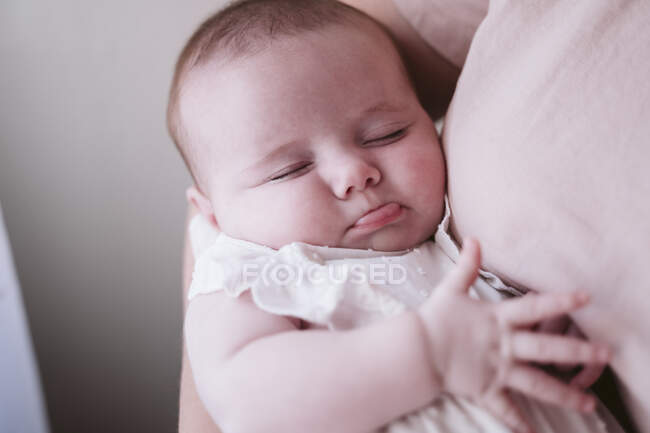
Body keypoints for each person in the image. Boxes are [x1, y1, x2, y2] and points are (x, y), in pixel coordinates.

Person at [167, 1, 625, 432]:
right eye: (292, 169)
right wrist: (429, 352)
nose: (354, 174)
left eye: (387, 134)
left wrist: (532, 334)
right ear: (211, 214)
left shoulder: (451, 243)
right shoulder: (252, 278)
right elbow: (247, 403)